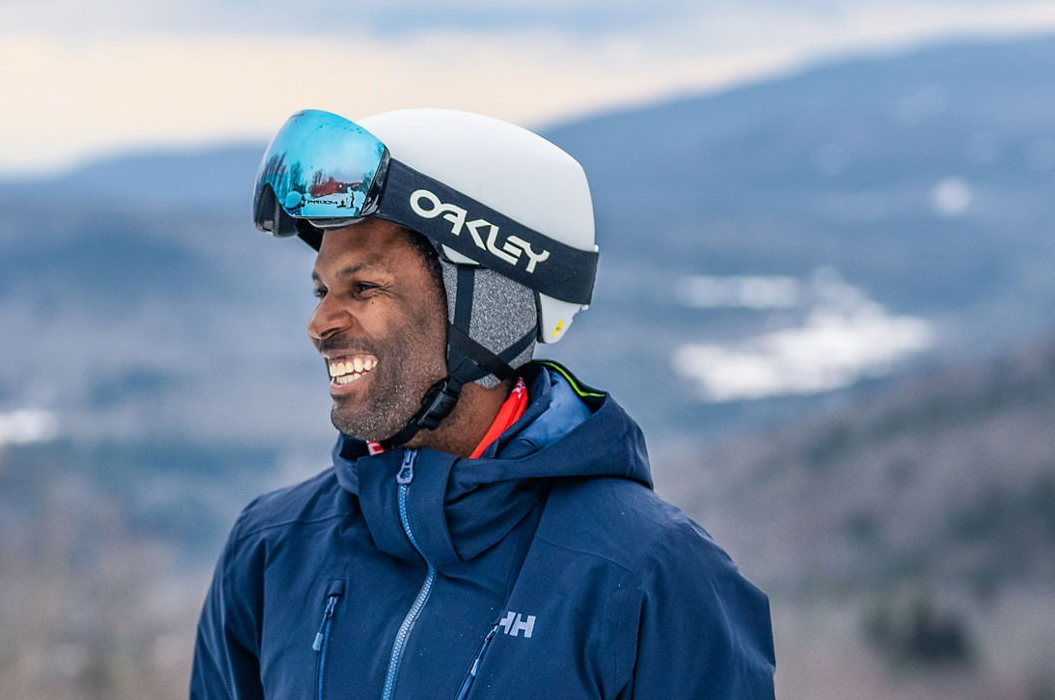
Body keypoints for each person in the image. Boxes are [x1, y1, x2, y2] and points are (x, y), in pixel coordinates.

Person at [191, 108, 774, 698]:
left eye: (363, 288)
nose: (320, 324)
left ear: (490, 308)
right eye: (322, 290)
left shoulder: (651, 576)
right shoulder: (272, 548)